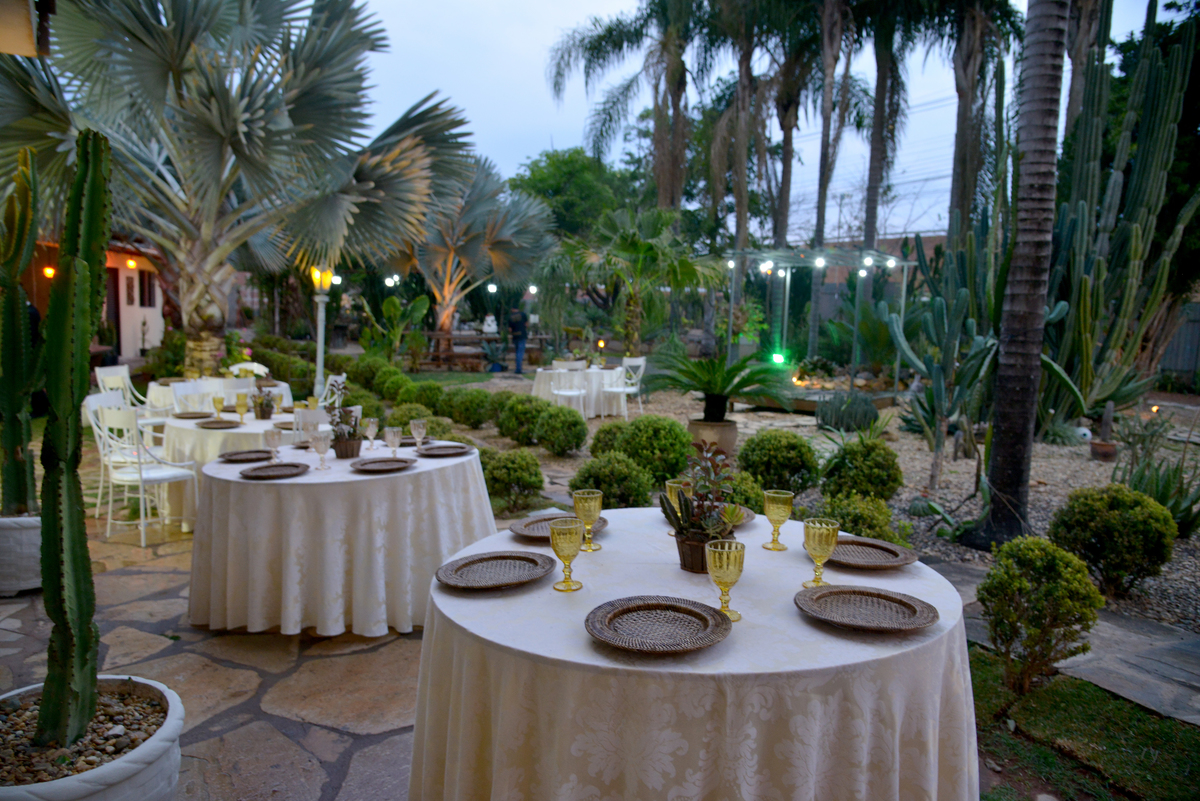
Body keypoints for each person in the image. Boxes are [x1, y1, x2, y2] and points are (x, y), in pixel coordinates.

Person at [508, 306, 529, 374]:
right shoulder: (523, 314)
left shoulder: (510, 317)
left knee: (517, 352)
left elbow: (510, 329)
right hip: (522, 335)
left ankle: (517, 368)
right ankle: (518, 369)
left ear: (512, 309)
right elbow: (526, 324)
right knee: (520, 352)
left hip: (515, 336)